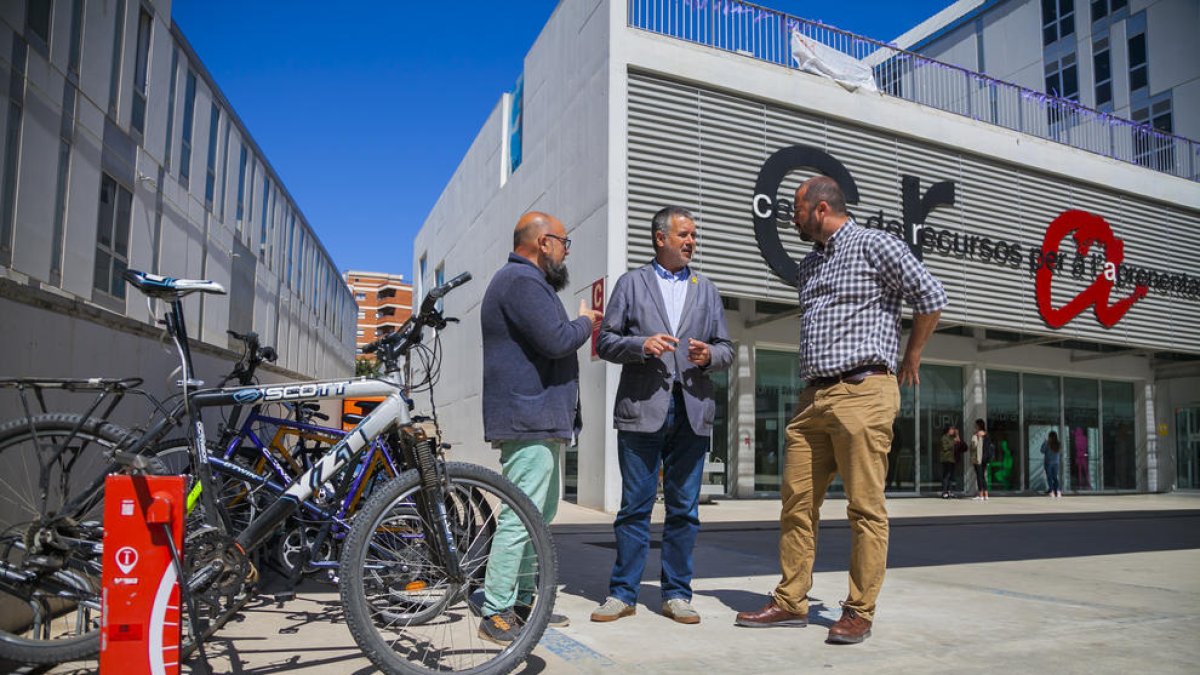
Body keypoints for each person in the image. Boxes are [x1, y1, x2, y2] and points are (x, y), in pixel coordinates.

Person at [735, 176, 947, 645]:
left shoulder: (875, 245)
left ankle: (859, 610)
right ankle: (791, 601)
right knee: (795, 504)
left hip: (863, 391)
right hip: (814, 399)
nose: (792, 218)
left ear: (821, 208)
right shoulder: (809, 265)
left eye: (797, 209)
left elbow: (931, 296)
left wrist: (910, 356)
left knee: (864, 508)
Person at [590, 206, 734, 626]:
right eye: (684, 235)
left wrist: (710, 355)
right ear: (660, 238)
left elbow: (726, 347)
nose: (691, 242)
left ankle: (676, 594)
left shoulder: (706, 288)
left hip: (692, 410)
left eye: (694, 236)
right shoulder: (631, 284)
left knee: (684, 509)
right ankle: (622, 593)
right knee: (634, 507)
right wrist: (640, 345)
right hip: (642, 409)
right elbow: (605, 342)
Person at [478, 211, 602, 644]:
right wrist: (587, 321)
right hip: (528, 419)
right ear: (543, 242)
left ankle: (525, 604)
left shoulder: (528, 283)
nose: (567, 251)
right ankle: (495, 610)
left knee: (538, 518)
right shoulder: (520, 282)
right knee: (520, 518)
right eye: (565, 243)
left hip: (541, 419)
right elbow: (556, 340)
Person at [969, 419, 991, 501]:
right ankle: (986, 495)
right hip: (985, 458)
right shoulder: (986, 434)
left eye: (975, 425)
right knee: (983, 476)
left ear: (978, 425)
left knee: (979, 476)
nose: (975, 426)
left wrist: (974, 438)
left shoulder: (977, 434)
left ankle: (980, 495)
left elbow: (973, 446)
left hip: (978, 458)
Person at [1042, 430, 1063, 498]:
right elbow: (1060, 452)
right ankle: (1057, 491)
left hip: (1048, 462)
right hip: (1056, 463)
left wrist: (1044, 442)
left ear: (1050, 437)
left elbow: (1042, 451)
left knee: (1049, 477)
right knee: (1055, 477)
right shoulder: (1058, 444)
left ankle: (1052, 491)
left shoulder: (1048, 443)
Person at [939, 425, 958, 499]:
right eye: (952, 429)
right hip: (946, 459)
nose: (953, 431)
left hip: (952, 459)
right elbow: (945, 447)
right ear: (948, 430)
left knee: (951, 476)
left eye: (953, 429)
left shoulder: (952, 438)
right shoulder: (944, 438)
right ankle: (944, 492)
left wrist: (957, 435)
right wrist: (953, 442)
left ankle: (950, 491)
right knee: (946, 475)